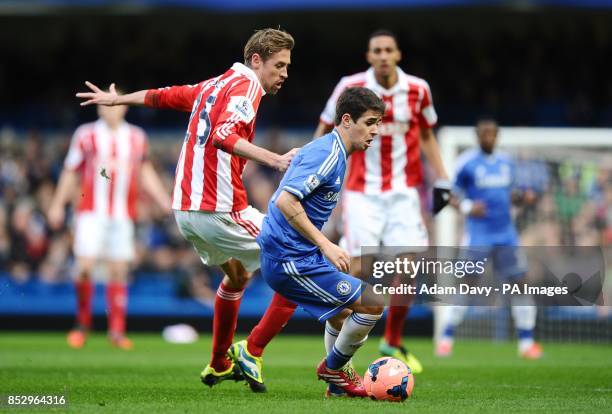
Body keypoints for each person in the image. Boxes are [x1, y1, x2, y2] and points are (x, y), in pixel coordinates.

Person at [76, 28, 300, 388]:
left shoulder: (212, 86)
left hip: (186, 213)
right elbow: (224, 137)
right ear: (257, 60)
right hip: (220, 210)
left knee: (238, 276)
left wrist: (119, 101)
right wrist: (274, 159)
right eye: (280, 65)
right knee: (300, 260)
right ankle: (252, 351)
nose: (285, 73)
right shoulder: (246, 89)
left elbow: (163, 96)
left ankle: (217, 363)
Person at [311, 29, 450, 373]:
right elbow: (325, 126)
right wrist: (312, 168)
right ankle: (338, 353)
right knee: (355, 267)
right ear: (369, 56)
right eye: (378, 50)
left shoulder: (418, 89)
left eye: (389, 49)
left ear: (398, 54)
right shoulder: (350, 86)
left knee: (410, 264)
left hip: (404, 191)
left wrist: (443, 178)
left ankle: (391, 340)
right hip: (361, 192)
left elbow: (428, 135)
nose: (384, 55)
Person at [257, 87, 386, 397]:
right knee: (372, 304)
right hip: (290, 259)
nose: (375, 131)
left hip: (298, 254)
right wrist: (326, 245)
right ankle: (334, 368)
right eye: (369, 122)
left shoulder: (333, 152)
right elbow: (285, 202)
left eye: (378, 123)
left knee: (344, 315)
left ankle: (336, 384)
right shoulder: (328, 154)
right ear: (345, 120)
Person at [48, 95, 172, 350]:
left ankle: (116, 331)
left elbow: (144, 170)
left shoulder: (137, 137)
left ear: (123, 107)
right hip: (90, 212)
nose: (109, 110)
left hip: (122, 214)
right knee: (84, 266)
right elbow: (71, 170)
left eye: (113, 104)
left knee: (118, 270)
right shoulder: (85, 134)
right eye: (104, 105)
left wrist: (162, 199)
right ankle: (82, 324)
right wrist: (57, 204)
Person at [436, 118, 542, 359]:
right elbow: (448, 195)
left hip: (506, 234)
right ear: (477, 136)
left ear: (497, 136)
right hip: (478, 235)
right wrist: (466, 207)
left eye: (492, 134)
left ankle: (526, 343)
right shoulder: (466, 163)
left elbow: (510, 194)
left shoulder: (507, 162)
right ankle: (446, 338)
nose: (488, 138)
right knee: (466, 284)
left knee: (521, 282)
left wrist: (522, 198)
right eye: (484, 134)